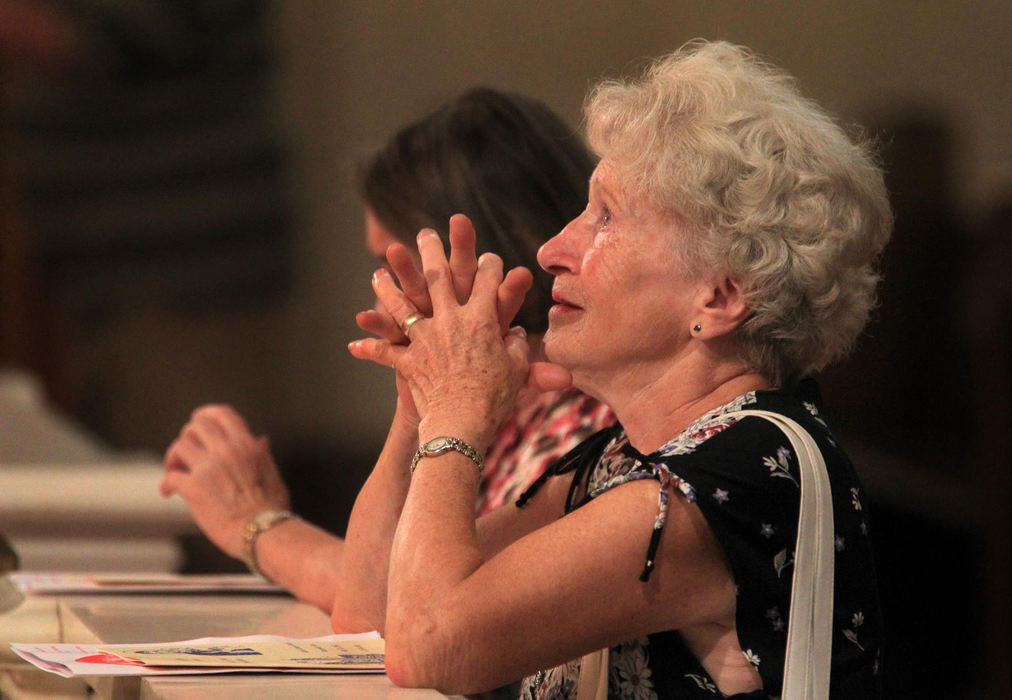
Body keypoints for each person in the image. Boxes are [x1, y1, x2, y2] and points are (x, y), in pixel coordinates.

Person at [342, 41, 890, 699]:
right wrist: (422, 400)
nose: (551, 251)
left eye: (605, 217)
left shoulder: (741, 470)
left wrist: (458, 409)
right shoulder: (628, 456)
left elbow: (430, 647)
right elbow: (371, 620)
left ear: (717, 297)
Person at [159, 87, 614, 612]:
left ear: (474, 252)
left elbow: (391, 613)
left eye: (390, 265)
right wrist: (414, 406)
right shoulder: (500, 403)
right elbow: (380, 598)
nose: (388, 295)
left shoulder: (585, 420)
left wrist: (256, 526)